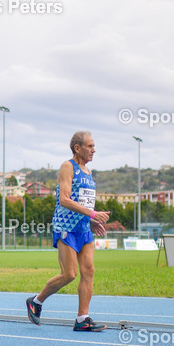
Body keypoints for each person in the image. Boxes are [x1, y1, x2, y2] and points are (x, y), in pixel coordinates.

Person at [25, 131, 110, 331]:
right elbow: (64, 199)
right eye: (90, 146)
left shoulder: (89, 173)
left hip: (83, 229)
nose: (94, 150)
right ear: (77, 148)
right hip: (66, 228)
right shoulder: (67, 167)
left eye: (94, 146)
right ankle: (36, 301)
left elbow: (83, 202)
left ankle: (82, 319)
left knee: (89, 271)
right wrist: (92, 213)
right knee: (69, 274)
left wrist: (91, 221)